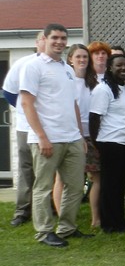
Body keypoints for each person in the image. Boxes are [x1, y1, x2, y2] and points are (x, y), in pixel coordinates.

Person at [20, 23, 92, 247]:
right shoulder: (33, 67)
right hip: (47, 139)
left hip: (71, 138)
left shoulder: (67, 69)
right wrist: (41, 136)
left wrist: (80, 136)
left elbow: (73, 105)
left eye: (63, 38)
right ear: (45, 38)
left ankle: (67, 228)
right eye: (55, 38)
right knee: (43, 187)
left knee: (75, 185)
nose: (59, 42)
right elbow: (26, 102)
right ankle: (44, 232)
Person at [90, 54, 125, 233]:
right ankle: (109, 224)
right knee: (110, 185)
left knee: (120, 184)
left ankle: (119, 219)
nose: (124, 68)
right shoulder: (103, 89)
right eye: (119, 65)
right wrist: (97, 145)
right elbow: (94, 118)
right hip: (110, 143)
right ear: (110, 67)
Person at [2, 31, 45, 227]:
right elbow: (9, 93)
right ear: (37, 43)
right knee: (26, 168)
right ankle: (22, 210)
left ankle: (47, 208)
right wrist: (24, 110)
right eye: (43, 39)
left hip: (50, 127)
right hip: (25, 126)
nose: (47, 42)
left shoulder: (60, 66)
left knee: (47, 170)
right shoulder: (23, 64)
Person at [66, 44, 100, 228]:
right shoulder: (66, 80)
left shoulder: (94, 83)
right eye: (78, 57)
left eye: (85, 57)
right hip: (70, 136)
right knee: (67, 180)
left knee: (96, 177)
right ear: (70, 59)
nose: (82, 60)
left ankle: (96, 218)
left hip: (92, 135)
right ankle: (67, 221)